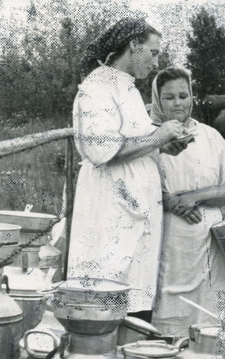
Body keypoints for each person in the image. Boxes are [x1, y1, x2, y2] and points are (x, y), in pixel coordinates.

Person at [70, 18, 191, 321]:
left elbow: (136, 139)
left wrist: (162, 144)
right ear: (134, 46)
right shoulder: (96, 89)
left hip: (133, 214)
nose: (156, 61)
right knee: (106, 296)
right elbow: (102, 149)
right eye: (153, 52)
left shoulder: (128, 89)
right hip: (110, 212)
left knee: (135, 299)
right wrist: (157, 137)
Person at [149, 67, 225, 336]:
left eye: (183, 95)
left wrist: (194, 197)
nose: (177, 103)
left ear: (192, 97)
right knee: (167, 306)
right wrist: (170, 203)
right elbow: (133, 186)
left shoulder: (210, 137)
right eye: (168, 97)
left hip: (207, 243)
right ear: (157, 99)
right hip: (166, 239)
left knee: (206, 313)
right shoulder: (149, 139)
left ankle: (203, 355)